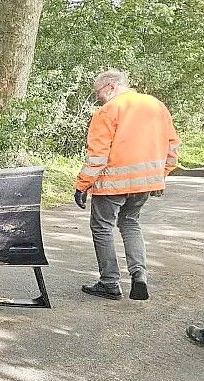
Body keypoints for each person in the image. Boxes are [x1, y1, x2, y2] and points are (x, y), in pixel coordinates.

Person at [74, 69, 179, 301]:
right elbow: (172, 149)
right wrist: (161, 176)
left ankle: (109, 282)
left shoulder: (108, 110)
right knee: (130, 223)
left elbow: (97, 156)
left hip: (112, 184)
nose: (98, 97)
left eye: (98, 92)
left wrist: (82, 185)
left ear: (110, 86)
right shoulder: (156, 106)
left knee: (102, 227)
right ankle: (139, 275)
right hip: (145, 184)